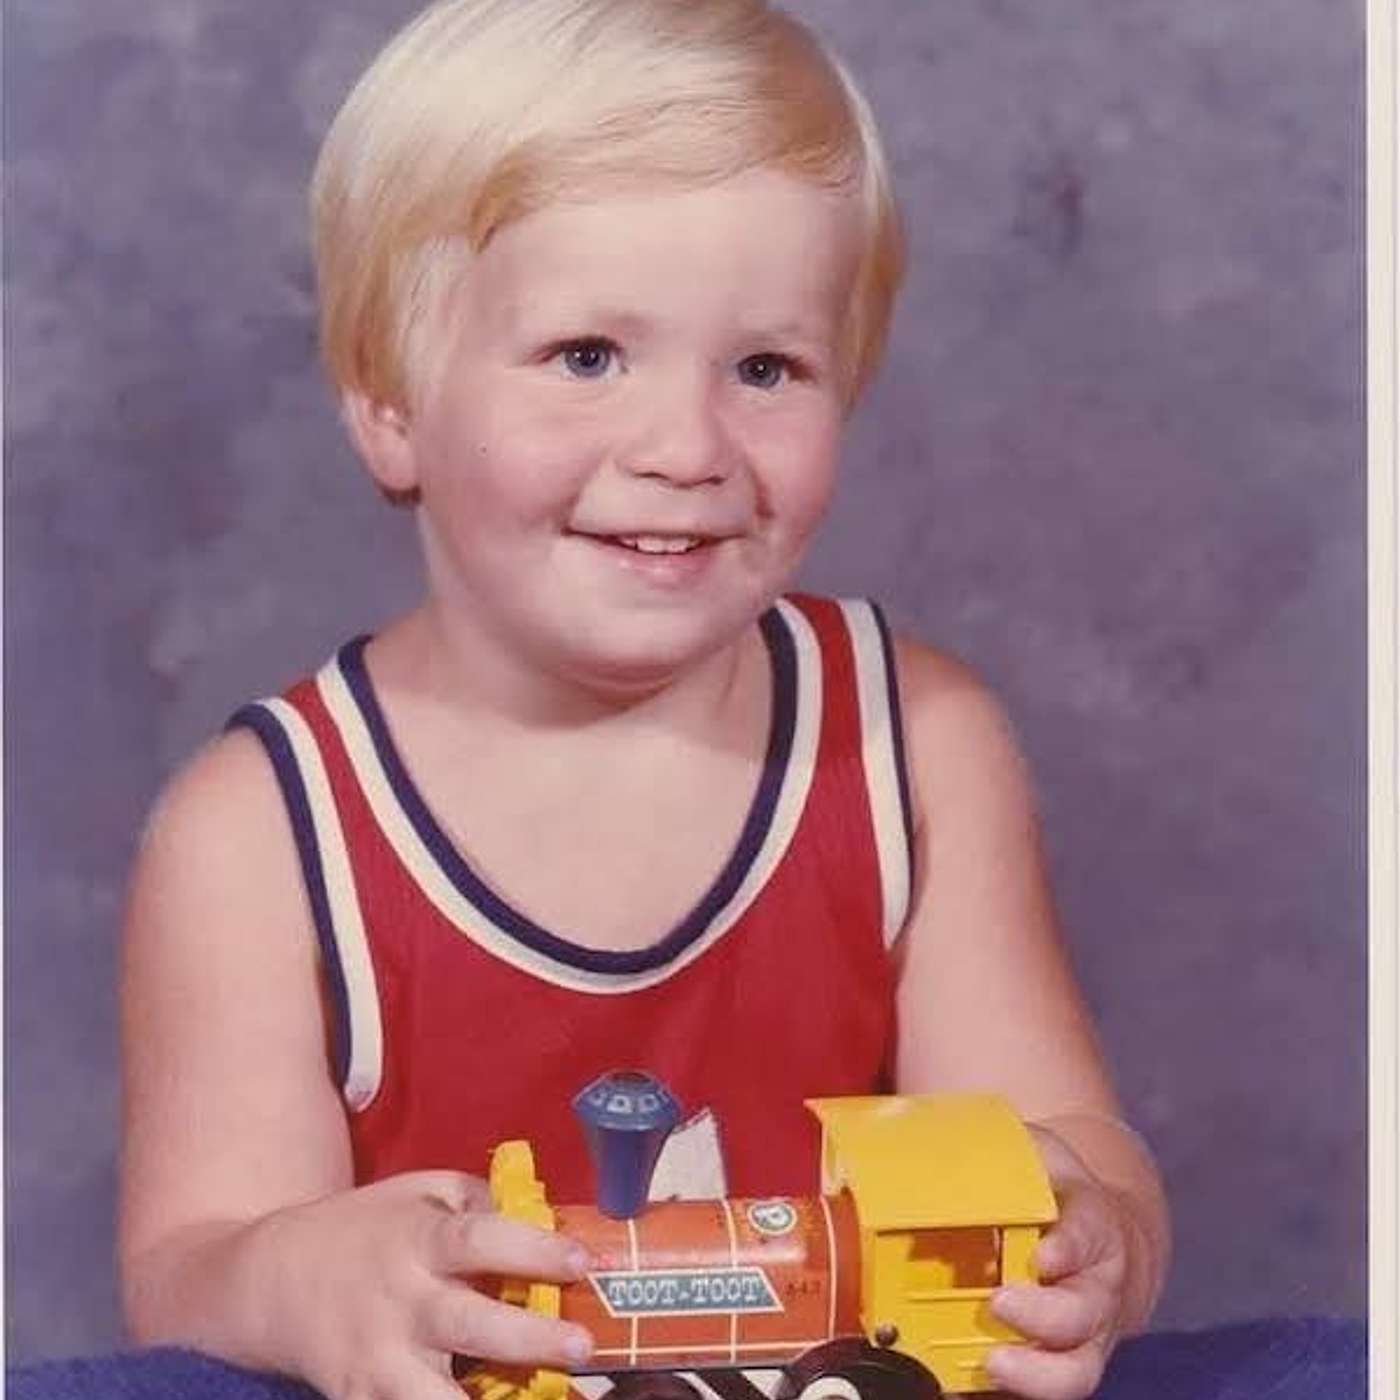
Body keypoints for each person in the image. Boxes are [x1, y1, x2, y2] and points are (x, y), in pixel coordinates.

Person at [116, 2, 1171, 1399]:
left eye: (764, 368)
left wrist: (1096, 1242)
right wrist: (304, 1278)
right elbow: (191, 1267)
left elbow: (1076, 1153)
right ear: (391, 406)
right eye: (588, 357)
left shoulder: (913, 745)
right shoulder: (257, 837)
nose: (686, 446)